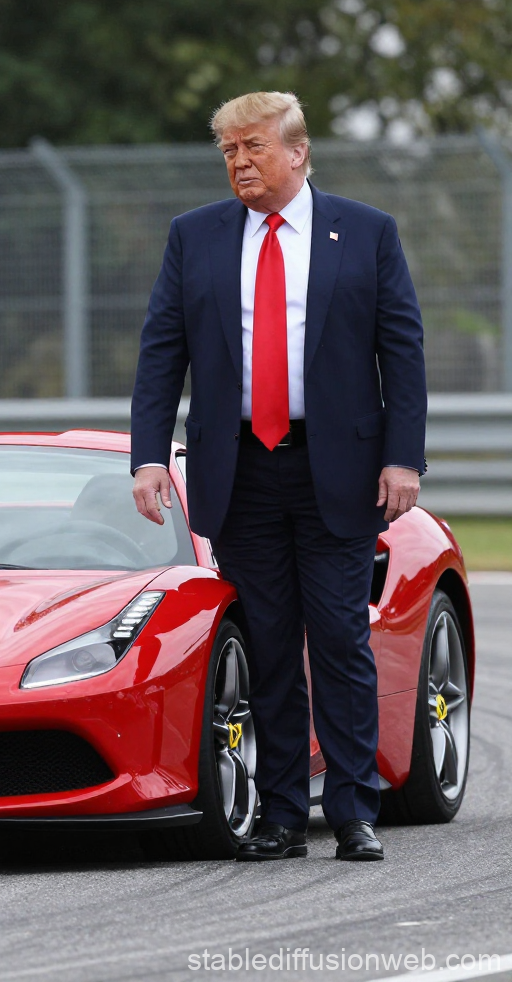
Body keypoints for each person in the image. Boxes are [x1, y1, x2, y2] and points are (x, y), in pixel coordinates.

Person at [130, 91, 427, 862]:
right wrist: (147, 453)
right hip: (239, 472)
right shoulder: (194, 237)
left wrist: (403, 457)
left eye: (253, 147)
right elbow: (163, 350)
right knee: (267, 647)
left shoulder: (365, 233)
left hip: (341, 471)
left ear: (297, 152)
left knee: (338, 640)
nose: (239, 163)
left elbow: (403, 353)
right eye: (229, 151)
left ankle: (355, 811)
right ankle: (282, 816)